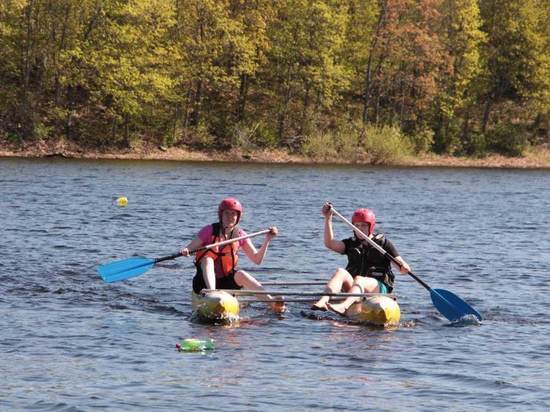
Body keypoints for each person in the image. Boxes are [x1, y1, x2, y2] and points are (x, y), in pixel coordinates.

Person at [181, 197, 285, 313]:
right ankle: (213, 294)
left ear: (238, 217)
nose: (230, 217)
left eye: (233, 214)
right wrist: (186, 251)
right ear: (221, 215)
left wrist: (267, 240)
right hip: (203, 283)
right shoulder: (209, 230)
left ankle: (271, 303)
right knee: (207, 259)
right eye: (226, 213)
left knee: (241, 274)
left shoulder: (240, 235)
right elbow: (190, 247)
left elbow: (257, 259)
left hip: (226, 282)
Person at [311, 202, 411, 314]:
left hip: (378, 288)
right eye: (357, 225)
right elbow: (329, 244)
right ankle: (323, 301)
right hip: (355, 289)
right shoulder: (351, 243)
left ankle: (344, 306)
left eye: (363, 225)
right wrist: (328, 218)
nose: (360, 229)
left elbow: (401, 266)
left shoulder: (383, 243)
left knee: (360, 279)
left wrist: (404, 267)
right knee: (340, 272)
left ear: (370, 227)